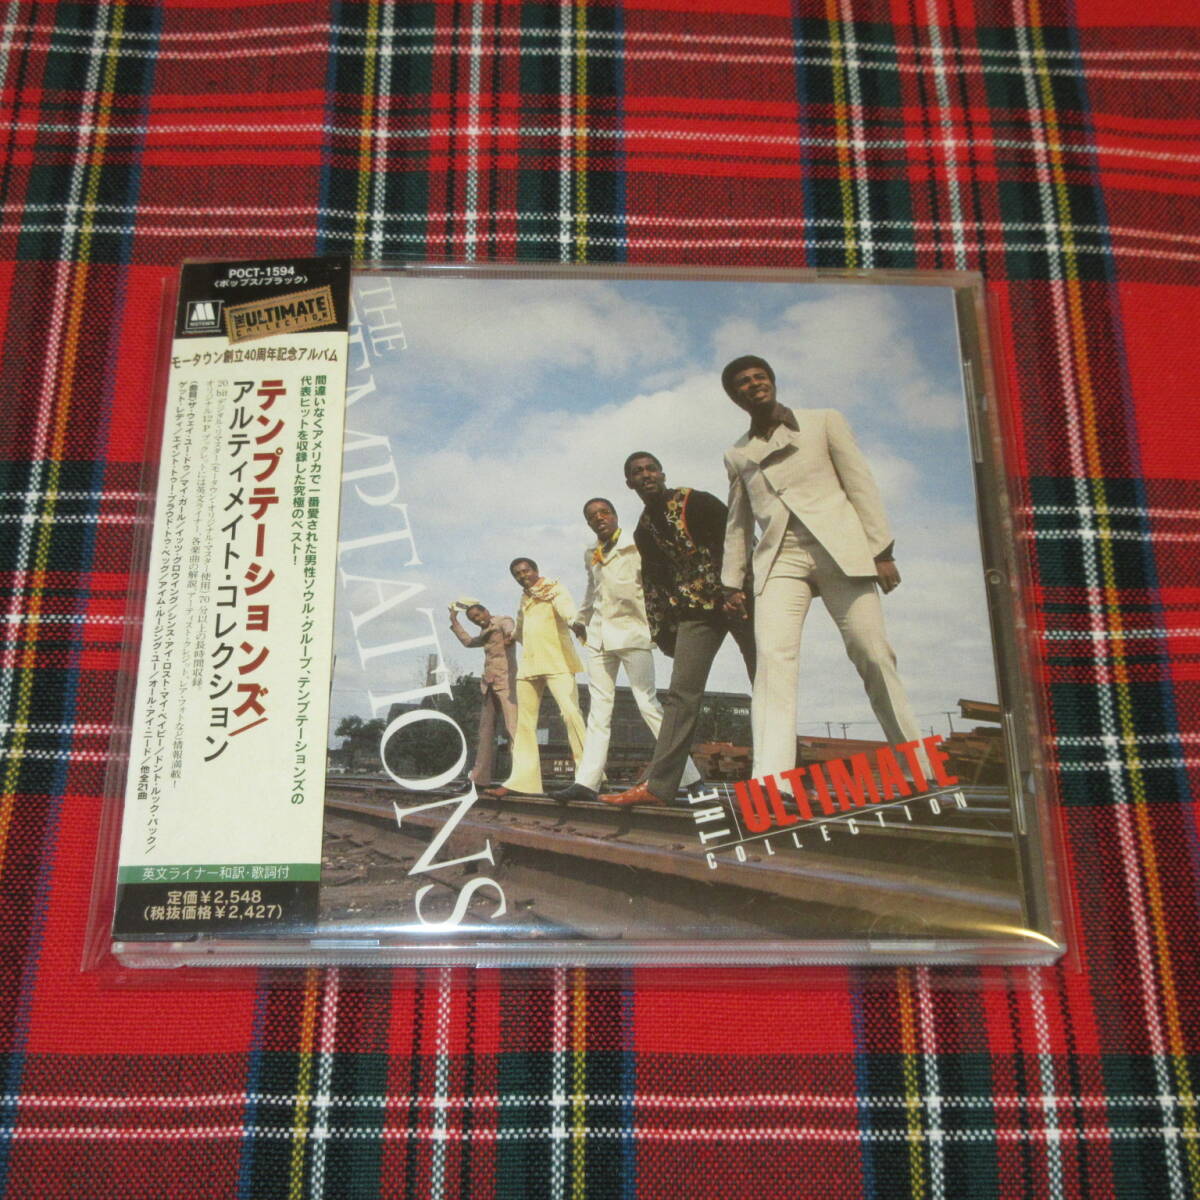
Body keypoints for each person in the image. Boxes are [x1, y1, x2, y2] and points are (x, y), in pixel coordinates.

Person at [719, 354, 924, 784]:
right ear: (735, 397)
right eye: (743, 382)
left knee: (873, 653)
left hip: (840, 551)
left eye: (759, 376)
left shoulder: (823, 421)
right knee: (773, 662)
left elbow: (860, 483)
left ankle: (919, 771)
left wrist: (881, 550)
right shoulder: (737, 454)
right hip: (781, 558)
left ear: (772, 381)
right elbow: (737, 523)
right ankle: (771, 780)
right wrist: (731, 583)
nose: (753, 384)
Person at [601, 453, 755, 807]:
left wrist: (738, 588)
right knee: (680, 695)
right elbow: (656, 584)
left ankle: (784, 776)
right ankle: (658, 787)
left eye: (650, 469)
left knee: (765, 681)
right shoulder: (644, 530)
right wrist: (665, 634)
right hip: (696, 611)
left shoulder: (697, 501)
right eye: (637, 472)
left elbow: (739, 539)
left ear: (662, 473)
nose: (645, 475)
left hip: (739, 598)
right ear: (629, 483)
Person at [551, 498, 700, 804]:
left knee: (648, 704)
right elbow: (592, 591)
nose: (599, 518)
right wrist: (581, 620)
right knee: (598, 712)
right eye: (592, 516)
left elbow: (659, 583)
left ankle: (692, 777)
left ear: (615, 516)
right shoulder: (590, 553)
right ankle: (587, 782)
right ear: (588, 523)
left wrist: (663, 622)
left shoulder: (637, 545)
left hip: (633, 633)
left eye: (604, 512)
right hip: (598, 638)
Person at [484, 558, 587, 798]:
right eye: (517, 574)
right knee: (524, 724)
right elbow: (521, 625)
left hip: (558, 662)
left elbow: (567, 610)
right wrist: (513, 636)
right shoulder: (525, 598)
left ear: (536, 570)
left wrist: (575, 623)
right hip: (530, 665)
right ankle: (522, 782)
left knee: (571, 714)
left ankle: (589, 776)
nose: (523, 576)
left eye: (526, 571)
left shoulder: (554, 588)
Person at [447, 599, 518, 786]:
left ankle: (520, 778)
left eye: (478, 615)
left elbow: (511, 630)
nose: (477, 620)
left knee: (513, 729)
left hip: (507, 683)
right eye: (472, 619)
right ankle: (479, 779)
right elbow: (468, 642)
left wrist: (510, 636)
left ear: (486, 611)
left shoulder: (502, 621)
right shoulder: (484, 632)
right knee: (485, 732)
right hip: (489, 685)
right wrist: (454, 620)